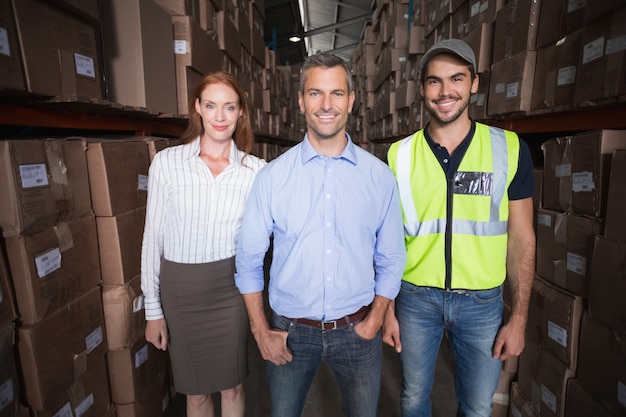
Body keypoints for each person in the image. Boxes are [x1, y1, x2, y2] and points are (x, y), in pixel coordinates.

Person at [234, 52, 407, 417]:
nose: (326, 105)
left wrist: (376, 318)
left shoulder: (378, 177)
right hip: (290, 332)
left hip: (358, 329)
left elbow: (391, 258)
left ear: (351, 100)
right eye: (315, 93)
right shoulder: (272, 178)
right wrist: (261, 331)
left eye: (337, 94)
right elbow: (248, 261)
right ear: (300, 100)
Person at [383, 39, 536, 417]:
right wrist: (385, 308)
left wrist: (518, 318)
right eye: (434, 81)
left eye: (456, 78)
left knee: (478, 407)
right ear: (422, 89)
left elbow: (522, 237)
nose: (445, 91)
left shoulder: (509, 149)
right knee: (414, 398)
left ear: (474, 83)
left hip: (482, 303)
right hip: (415, 298)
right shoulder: (398, 156)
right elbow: (385, 239)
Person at [141, 71, 266, 417]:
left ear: (241, 112)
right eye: (211, 106)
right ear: (197, 108)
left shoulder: (256, 172)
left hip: (230, 289)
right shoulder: (167, 164)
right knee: (195, 394)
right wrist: (153, 311)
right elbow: (153, 239)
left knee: (232, 384)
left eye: (229, 107)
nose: (220, 117)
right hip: (181, 290)